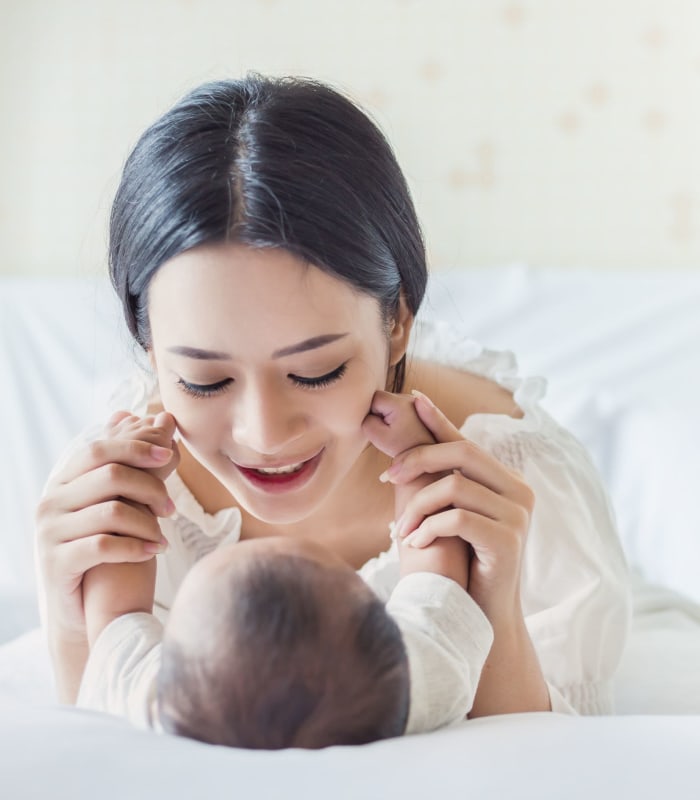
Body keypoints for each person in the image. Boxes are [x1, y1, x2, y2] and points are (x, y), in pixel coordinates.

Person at [35, 74, 630, 733]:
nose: (264, 434)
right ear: (149, 350)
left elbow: (555, 761)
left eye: (316, 371)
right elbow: (94, 740)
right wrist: (69, 615)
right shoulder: (115, 501)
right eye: (205, 381)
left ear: (399, 319)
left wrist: (493, 605)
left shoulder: (522, 475)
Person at [77, 394, 474, 748]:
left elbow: (116, 607)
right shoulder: (421, 688)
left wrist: (131, 472)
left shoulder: (142, 702)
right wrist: (414, 453)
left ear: (165, 670)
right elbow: (434, 573)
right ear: (392, 637)